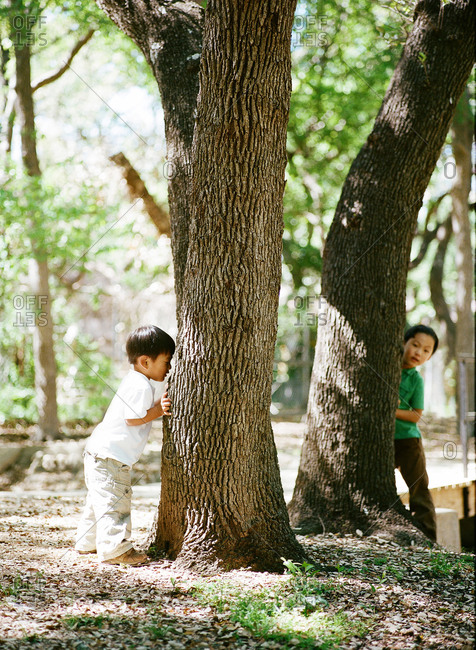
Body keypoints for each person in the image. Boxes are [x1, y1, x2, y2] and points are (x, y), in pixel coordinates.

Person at [75, 325, 175, 565]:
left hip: (100, 453)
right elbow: (132, 417)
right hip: (111, 457)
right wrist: (159, 410)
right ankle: (114, 549)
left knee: (99, 502)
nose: (169, 367)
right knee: (114, 503)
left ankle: (87, 542)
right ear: (145, 361)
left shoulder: (138, 379)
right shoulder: (139, 385)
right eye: (166, 361)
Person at [395, 324, 438, 542]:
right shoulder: (390, 369)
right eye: (415, 345)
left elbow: (416, 415)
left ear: (429, 357)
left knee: (418, 487)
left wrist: (391, 411)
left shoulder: (415, 379)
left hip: (408, 441)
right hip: (385, 441)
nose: (418, 352)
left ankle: (428, 536)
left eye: (426, 350)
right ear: (404, 343)